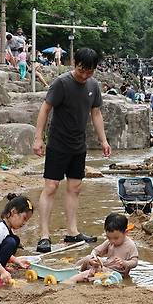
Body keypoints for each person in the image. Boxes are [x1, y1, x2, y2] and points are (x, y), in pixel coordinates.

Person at [33, 48, 111, 253]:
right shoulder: (62, 83)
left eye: (89, 72)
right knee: (51, 187)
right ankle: (44, 236)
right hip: (58, 144)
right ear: (74, 64)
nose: (84, 75)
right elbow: (45, 109)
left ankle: (72, 232)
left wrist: (103, 140)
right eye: (81, 70)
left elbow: (96, 113)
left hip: (78, 145)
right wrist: (38, 138)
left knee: (75, 188)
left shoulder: (94, 85)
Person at [68, 213, 139, 282]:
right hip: (105, 266)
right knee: (88, 258)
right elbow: (95, 251)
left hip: (117, 273)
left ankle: (72, 280)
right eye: (109, 237)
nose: (112, 241)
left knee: (96, 269)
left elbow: (134, 262)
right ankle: (73, 269)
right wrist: (94, 259)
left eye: (116, 238)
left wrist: (125, 263)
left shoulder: (130, 245)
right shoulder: (109, 242)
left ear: (126, 232)